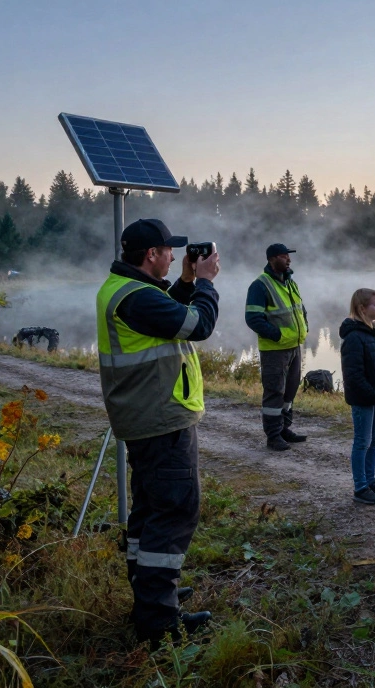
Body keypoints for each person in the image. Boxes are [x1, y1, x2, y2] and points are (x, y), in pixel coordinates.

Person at [96, 218, 220, 645]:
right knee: (173, 511)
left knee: (149, 511)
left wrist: (185, 281)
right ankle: (159, 623)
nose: (173, 256)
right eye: (169, 251)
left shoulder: (129, 290)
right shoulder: (138, 298)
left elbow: (169, 319)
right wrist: (204, 283)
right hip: (161, 418)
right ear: (151, 255)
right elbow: (196, 326)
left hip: (146, 417)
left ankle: (151, 596)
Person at [245, 243, 308, 451]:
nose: (288, 260)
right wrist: (278, 335)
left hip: (294, 346)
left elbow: (301, 309)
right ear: (272, 259)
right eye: (283, 256)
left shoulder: (291, 282)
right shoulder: (260, 285)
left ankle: (283, 429)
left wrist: (304, 327)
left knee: (290, 390)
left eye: (289, 256)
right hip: (275, 349)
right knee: (274, 392)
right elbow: (253, 318)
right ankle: (273, 436)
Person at [340, 289, 375, 505]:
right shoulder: (354, 336)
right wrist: (372, 393)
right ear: (362, 308)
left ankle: (370, 481)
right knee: (362, 441)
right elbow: (353, 374)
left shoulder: (373, 331)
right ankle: (360, 487)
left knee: (374, 440)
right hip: (364, 399)